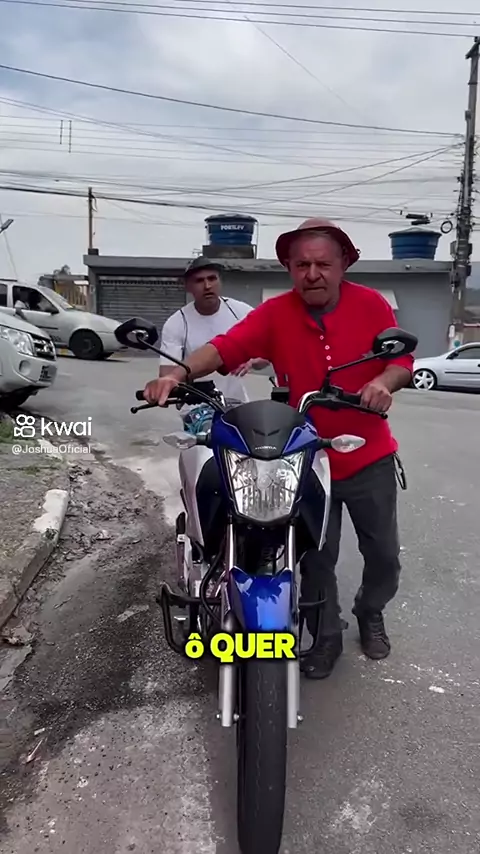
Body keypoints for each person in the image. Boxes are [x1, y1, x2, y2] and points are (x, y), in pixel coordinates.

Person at [144, 219, 415, 680]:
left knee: (384, 555)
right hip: (305, 457)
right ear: (290, 268)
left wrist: (383, 382)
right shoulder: (275, 313)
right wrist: (177, 374)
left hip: (368, 455)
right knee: (314, 558)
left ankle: (371, 610)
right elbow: (224, 347)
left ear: (343, 264)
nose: (312, 274)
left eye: (323, 264)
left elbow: (400, 360)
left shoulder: (371, 304)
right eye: (301, 264)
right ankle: (325, 636)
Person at [157, 256, 269, 403]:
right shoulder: (176, 323)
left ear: (220, 281)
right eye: (199, 281)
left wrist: (251, 361)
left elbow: (266, 356)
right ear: (188, 286)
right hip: (196, 406)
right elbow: (166, 374)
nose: (207, 286)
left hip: (236, 403)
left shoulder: (242, 312)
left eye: (212, 278)